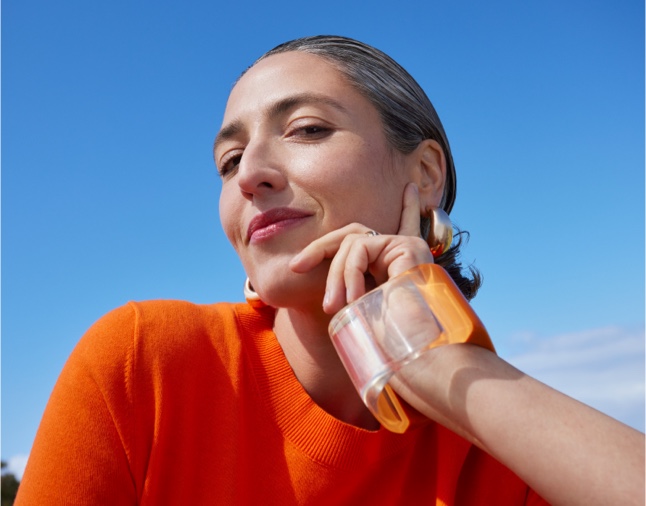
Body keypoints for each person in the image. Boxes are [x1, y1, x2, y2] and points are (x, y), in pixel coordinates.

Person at [16, 35, 644, 505]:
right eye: (229, 161)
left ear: (424, 175)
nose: (251, 174)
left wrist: (444, 364)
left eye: (307, 129)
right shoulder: (145, 363)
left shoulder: (497, 442)